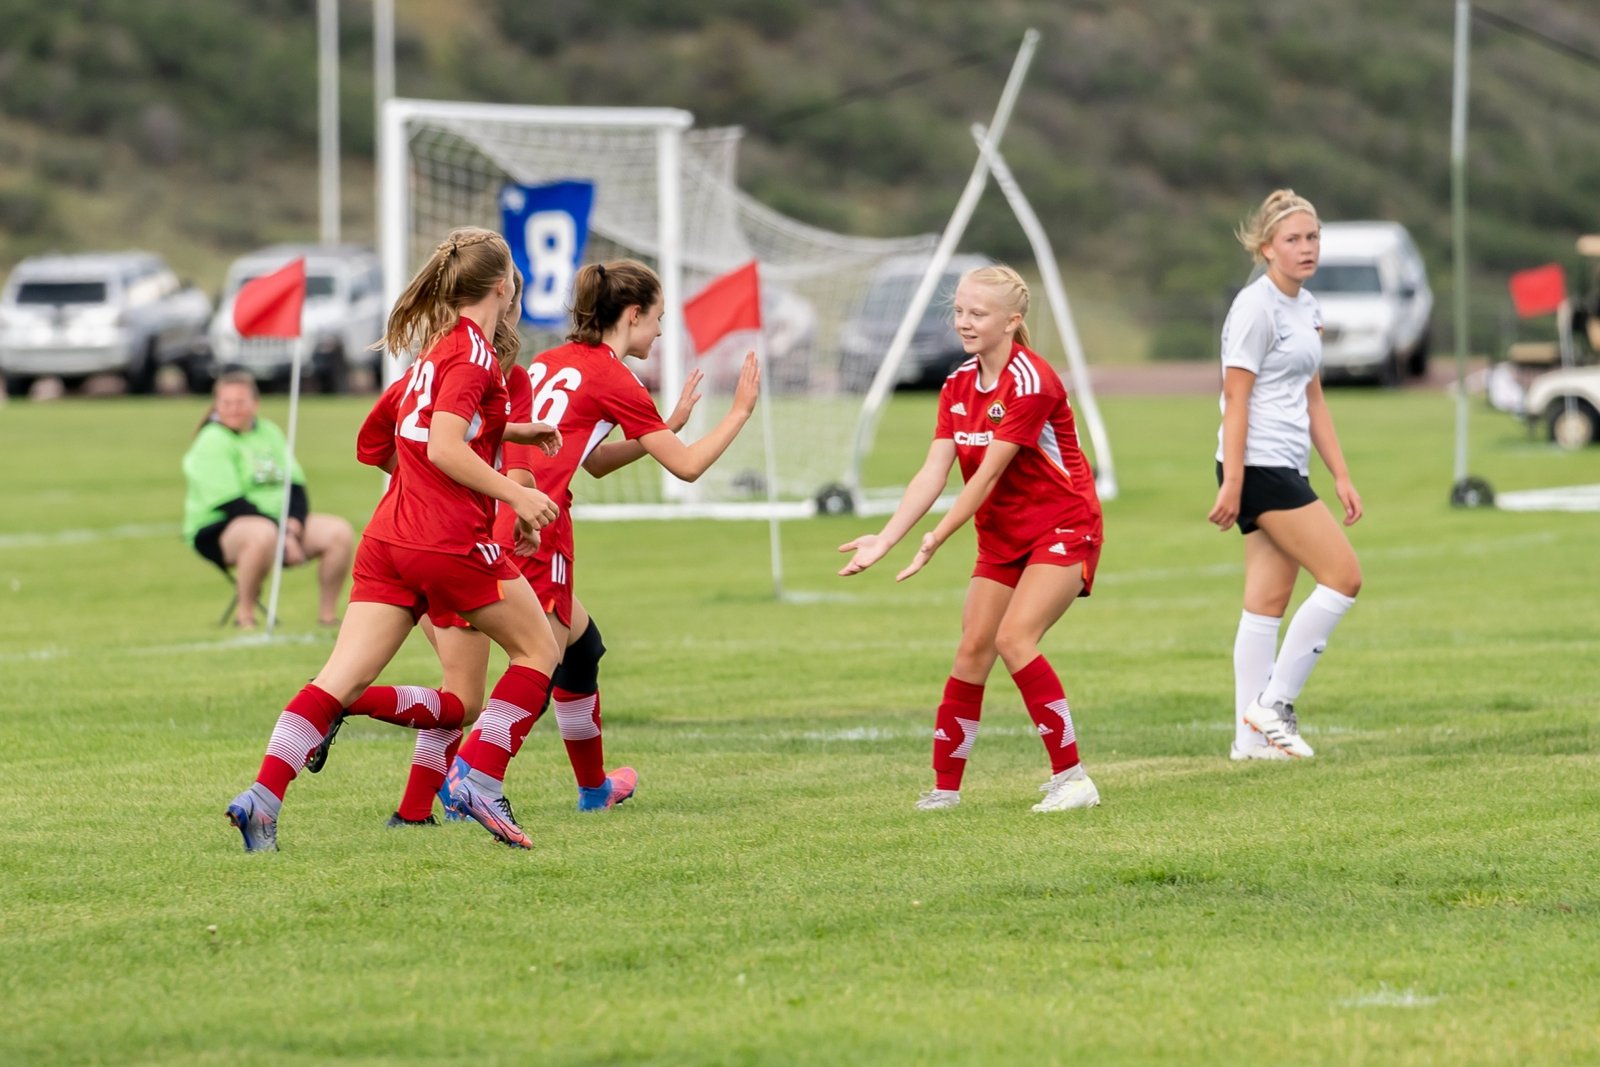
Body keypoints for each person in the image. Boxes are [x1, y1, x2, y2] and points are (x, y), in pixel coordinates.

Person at [225, 226, 564, 852]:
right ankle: (479, 780)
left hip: (388, 540)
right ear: (501, 286)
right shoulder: (474, 355)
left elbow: (385, 439)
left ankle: (262, 798)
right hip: (447, 542)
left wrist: (510, 433)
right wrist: (514, 495)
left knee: (340, 681)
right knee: (539, 650)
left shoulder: (434, 353)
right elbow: (443, 446)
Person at [407, 258, 758, 822]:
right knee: (536, 663)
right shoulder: (616, 377)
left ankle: (593, 789)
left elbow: (590, 459)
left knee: (582, 648)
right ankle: (467, 775)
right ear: (633, 315)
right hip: (537, 526)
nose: (661, 332)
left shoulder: (553, 360)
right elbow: (688, 467)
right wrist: (738, 412)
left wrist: (662, 426)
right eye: (658, 319)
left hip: (495, 512)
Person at [837, 264, 1103, 813]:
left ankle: (1074, 780)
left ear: (1012, 321)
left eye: (978, 313)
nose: (964, 322)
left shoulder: (1031, 381)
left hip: (1062, 524)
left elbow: (986, 477)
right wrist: (885, 538)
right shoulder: (958, 383)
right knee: (972, 650)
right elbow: (934, 470)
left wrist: (935, 538)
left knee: (1015, 639)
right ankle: (945, 791)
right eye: (958, 311)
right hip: (1002, 533)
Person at [1209, 189, 1363, 761]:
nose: (1306, 247)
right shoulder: (1256, 306)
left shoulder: (1308, 306)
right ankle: (1274, 704)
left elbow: (1313, 399)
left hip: (1285, 465)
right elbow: (1235, 396)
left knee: (1267, 602)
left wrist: (1340, 474)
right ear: (1267, 248)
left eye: (1312, 237)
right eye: (1293, 239)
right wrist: (1233, 481)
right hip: (1258, 464)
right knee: (1344, 577)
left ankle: (1250, 742)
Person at [182, 371, 354, 628]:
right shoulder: (212, 440)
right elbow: (231, 503)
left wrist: (294, 523)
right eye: (226, 403)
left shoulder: (269, 431)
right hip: (220, 527)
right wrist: (282, 531)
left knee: (339, 532)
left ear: (255, 404)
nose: (233, 409)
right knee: (262, 534)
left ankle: (327, 616)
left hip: (280, 524)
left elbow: (295, 485)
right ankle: (245, 616)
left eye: (240, 402)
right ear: (216, 405)